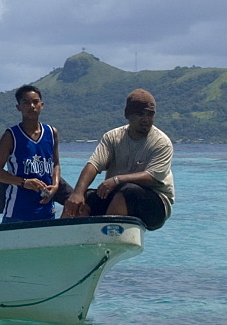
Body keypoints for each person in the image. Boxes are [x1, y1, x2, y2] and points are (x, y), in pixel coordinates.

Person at [61, 89, 174, 230]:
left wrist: (117, 179)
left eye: (150, 115)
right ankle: (65, 239)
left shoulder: (161, 142)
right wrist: (77, 193)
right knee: (85, 198)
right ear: (127, 114)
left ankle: (108, 237)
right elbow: (94, 164)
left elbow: (152, 177)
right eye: (140, 114)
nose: (146, 119)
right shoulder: (113, 137)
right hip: (119, 195)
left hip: (155, 205)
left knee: (127, 191)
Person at [0, 84, 62, 222]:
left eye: (35, 102)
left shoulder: (51, 133)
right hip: (18, 211)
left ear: (42, 105)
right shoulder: (11, 136)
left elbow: (56, 164)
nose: (32, 106)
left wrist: (56, 184)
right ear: (19, 107)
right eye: (26, 102)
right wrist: (24, 182)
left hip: (46, 210)